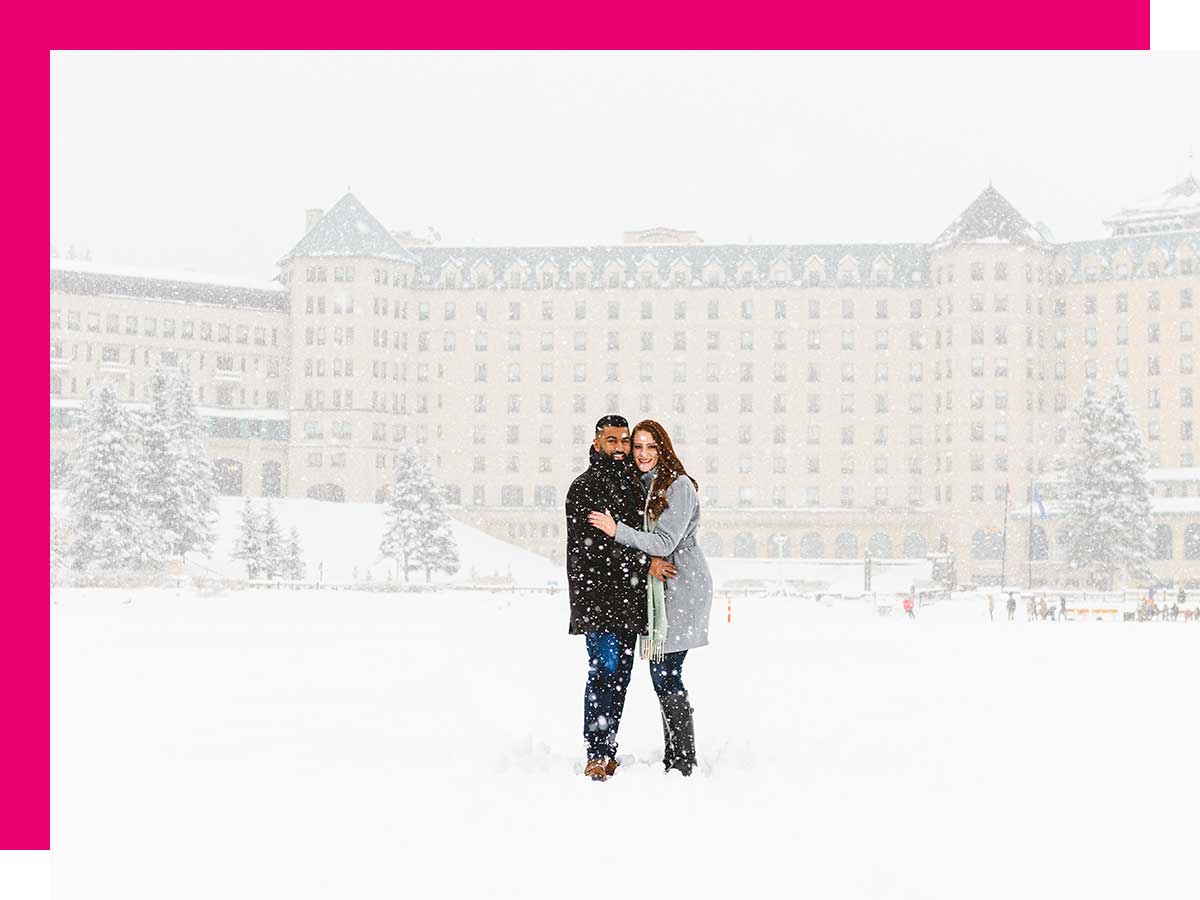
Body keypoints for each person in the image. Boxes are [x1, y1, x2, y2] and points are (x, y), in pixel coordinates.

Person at [587, 419, 712, 777]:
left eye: (650, 447)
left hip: (682, 583)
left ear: (663, 449)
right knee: (664, 671)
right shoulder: (646, 483)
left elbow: (664, 544)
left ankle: (683, 759)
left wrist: (616, 530)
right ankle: (676, 755)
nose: (642, 454)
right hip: (660, 588)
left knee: (666, 672)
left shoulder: (679, 486)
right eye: (637, 447)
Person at [566, 415, 676, 782]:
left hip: (629, 599)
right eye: (611, 441)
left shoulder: (634, 485)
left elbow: (637, 534)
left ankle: (608, 749)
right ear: (596, 443)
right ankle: (596, 752)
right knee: (605, 671)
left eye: (624, 441)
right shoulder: (584, 488)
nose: (619, 448)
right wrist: (647, 563)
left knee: (621, 678)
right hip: (597, 598)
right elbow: (595, 548)